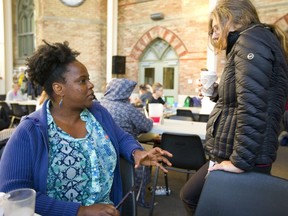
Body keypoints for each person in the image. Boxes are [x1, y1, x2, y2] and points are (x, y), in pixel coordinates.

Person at [0, 40, 173, 216]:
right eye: (82, 81)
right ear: (59, 88)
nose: (90, 85)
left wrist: (136, 152)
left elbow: (121, 137)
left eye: (88, 79)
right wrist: (80, 211)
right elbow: (14, 194)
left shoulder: (97, 113)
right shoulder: (29, 131)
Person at [180, 0, 288, 215]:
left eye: (215, 28)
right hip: (235, 151)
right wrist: (216, 91)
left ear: (230, 19)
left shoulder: (251, 41)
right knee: (196, 198)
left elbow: (254, 107)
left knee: (196, 199)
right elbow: (247, 95)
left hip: (244, 155)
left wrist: (239, 161)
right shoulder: (251, 42)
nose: (213, 35)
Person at [100, 78, 154, 208]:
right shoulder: (128, 109)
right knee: (145, 158)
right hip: (126, 149)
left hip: (103, 149)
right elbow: (146, 126)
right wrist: (151, 119)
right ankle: (138, 198)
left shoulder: (99, 105)